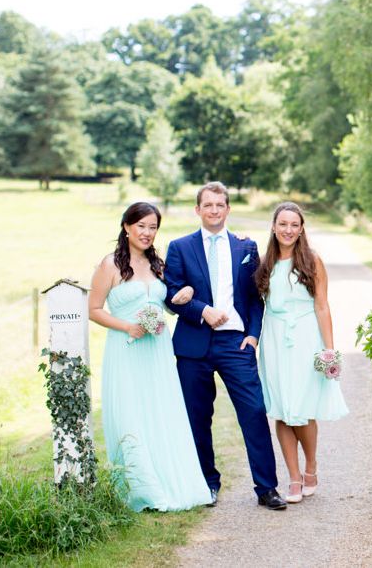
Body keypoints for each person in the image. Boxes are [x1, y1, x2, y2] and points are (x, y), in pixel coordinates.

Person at [163, 182, 286, 511]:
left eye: (220, 205)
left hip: (236, 343)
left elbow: (257, 296)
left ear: (228, 209)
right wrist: (201, 309)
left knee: (254, 412)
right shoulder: (179, 247)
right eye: (208, 205)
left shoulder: (246, 247)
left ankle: (266, 487)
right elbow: (171, 296)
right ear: (198, 210)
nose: (214, 210)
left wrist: (254, 334)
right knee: (197, 417)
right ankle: (207, 482)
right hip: (193, 345)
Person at [89, 202, 212, 511]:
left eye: (153, 227)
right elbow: (93, 310)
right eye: (141, 226)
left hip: (157, 350)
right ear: (127, 227)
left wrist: (178, 300)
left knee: (160, 412)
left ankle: (171, 478)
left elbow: (164, 305)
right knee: (132, 412)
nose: (147, 232)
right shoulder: (110, 265)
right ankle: (142, 488)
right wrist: (128, 326)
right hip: (126, 349)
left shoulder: (158, 264)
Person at [255, 202, 348, 503]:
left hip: (306, 337)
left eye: (294, 224)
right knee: (282, 409)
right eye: (282, 224)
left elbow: (322, 305)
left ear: (301, 228)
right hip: (275, 338)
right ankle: (293, 477)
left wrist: (329, 349)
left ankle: (311, 465)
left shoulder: (311, 260)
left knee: (303, 407)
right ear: (273, 226)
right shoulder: (265, 262)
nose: (288, 230)